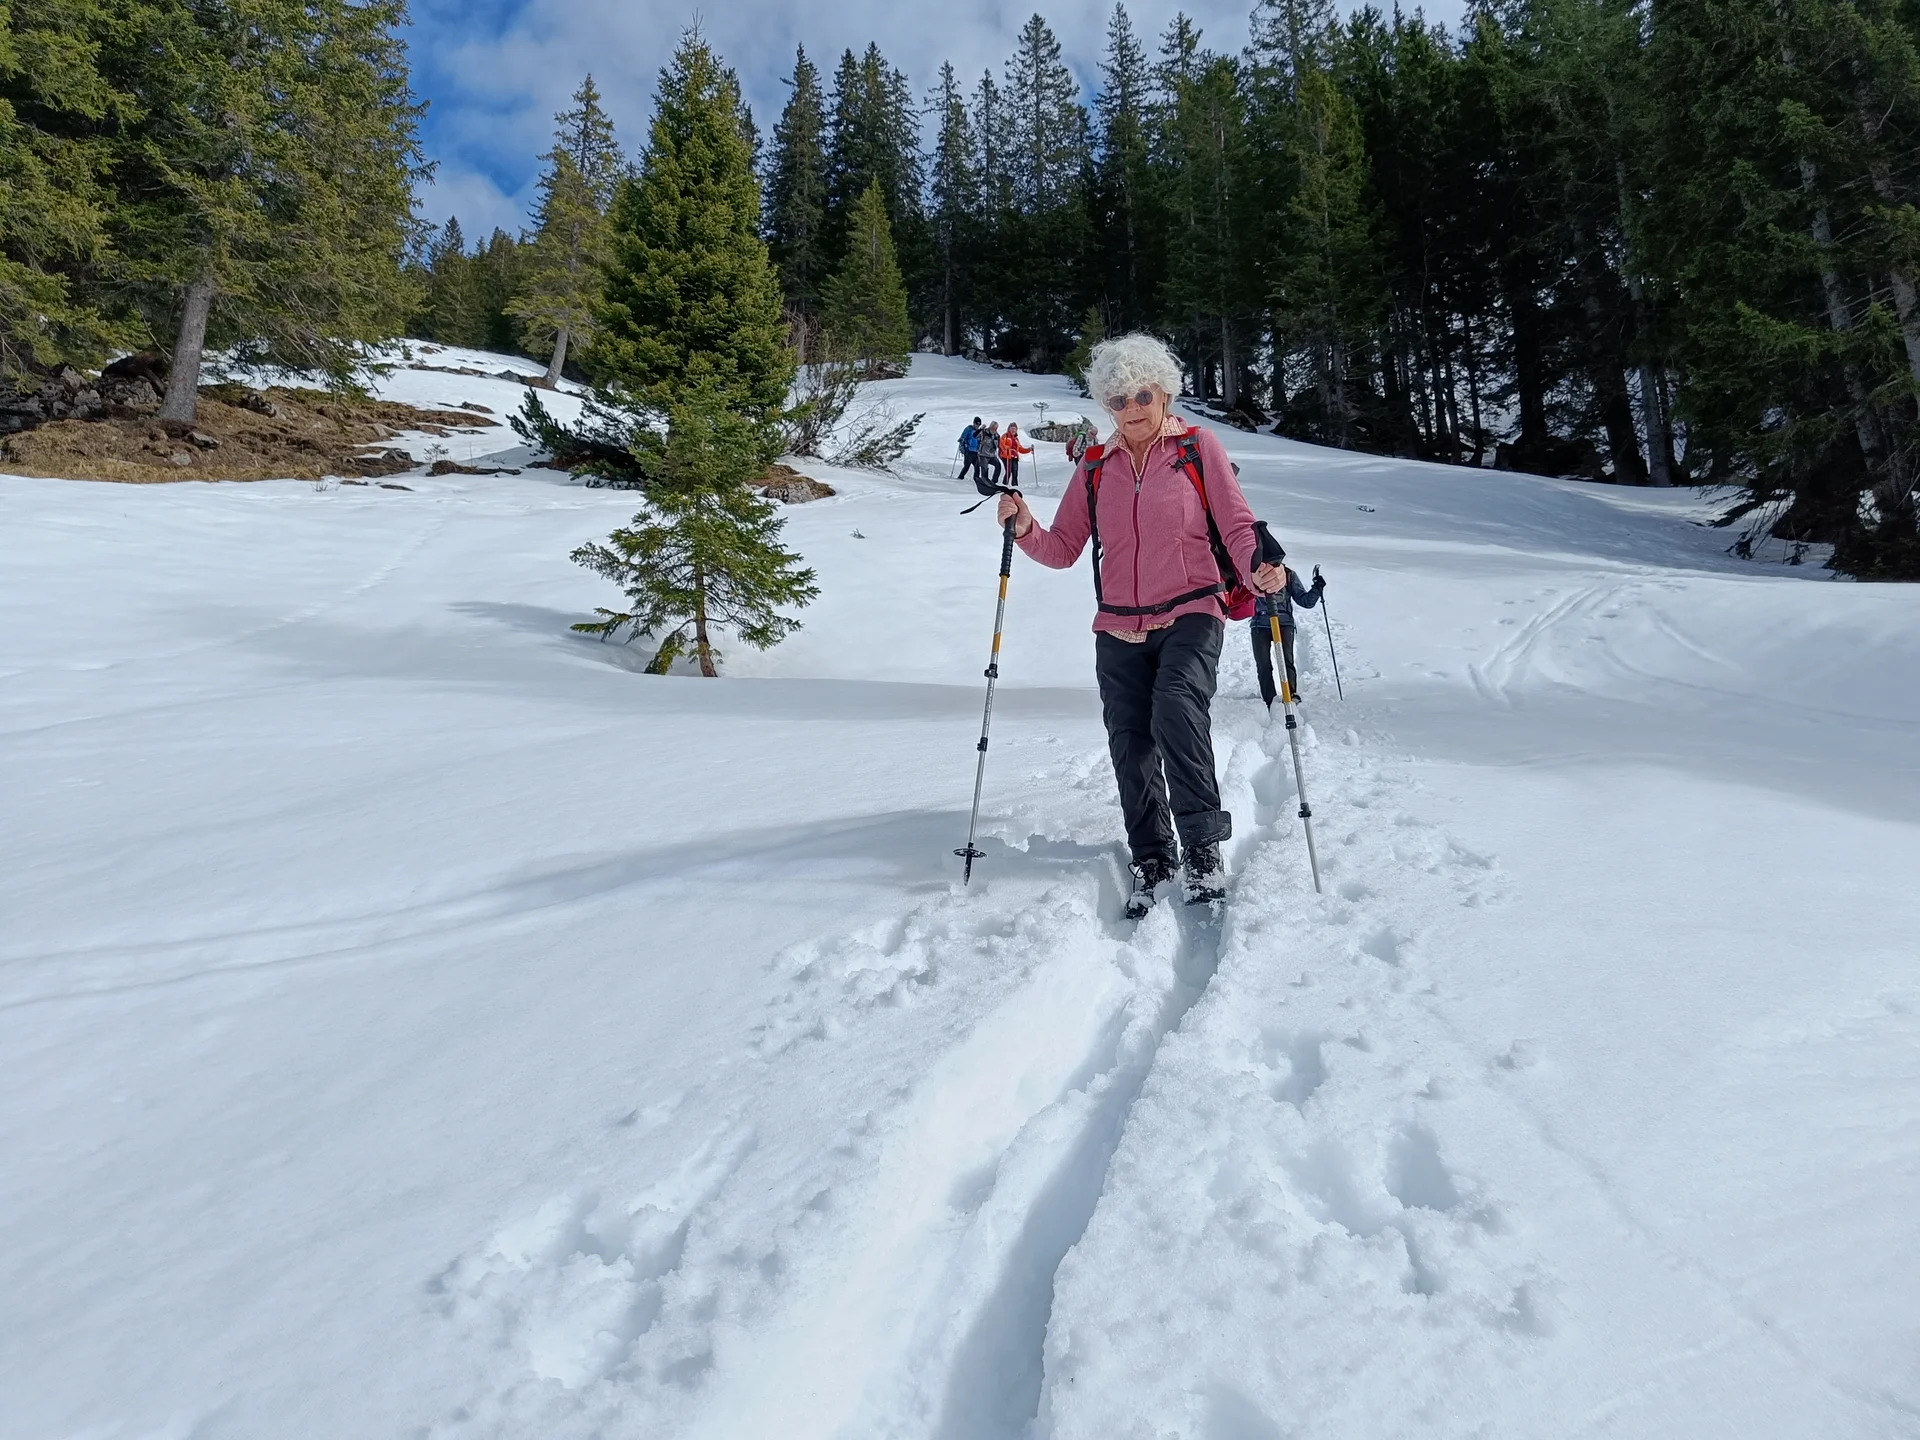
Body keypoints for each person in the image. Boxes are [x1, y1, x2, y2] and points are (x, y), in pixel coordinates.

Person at [996, 334, 1284, 914]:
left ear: (1164, 394)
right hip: (1118, 626)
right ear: (1107, 404)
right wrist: (1026, 527)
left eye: (1142, 395)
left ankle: (1202, 850)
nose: (1132, 408)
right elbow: (1064, 547)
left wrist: (1259, 564)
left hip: (1192, 610)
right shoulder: (1096, 467)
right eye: (1119, 398)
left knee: (1175, 707)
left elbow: (1235, 521)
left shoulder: (1198, 448)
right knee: (1130, 742)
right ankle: (1152, 859)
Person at [1248, 520, 1324, 708]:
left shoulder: (1288, 575)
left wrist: (1317, 588)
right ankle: (1269, 699)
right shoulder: (1251, 576)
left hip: (1283, 624)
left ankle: (1291, 695)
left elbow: (1305, 601)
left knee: (1286, 660)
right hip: (1260, 624)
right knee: (1263, 664)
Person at [1000, 422, 1033, 488]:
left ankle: (1015, 486)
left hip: (1014, 457)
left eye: (1015, 429)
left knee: (1015, 472)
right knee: (1008, 472)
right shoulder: (1005, 436)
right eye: (1012, 429)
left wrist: (1029, 449)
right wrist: (1005, 447)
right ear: (1009, 429)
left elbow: (1020, 449)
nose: (1013, 430)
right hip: (1007, 456)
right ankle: (1005, 485)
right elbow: (1001, 443)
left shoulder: (1016, 439)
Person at [958, 417, 982, 483]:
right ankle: (960, 478)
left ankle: (976, 480)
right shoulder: (968, 429)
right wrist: (961, 440)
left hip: (976, 452)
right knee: (966, 466)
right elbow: (963, 436)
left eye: (979, 425)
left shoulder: (979, 431)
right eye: (977, 424)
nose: (978, 426)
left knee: (977, 467)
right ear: (974, 423)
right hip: (968, 451)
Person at [979, 421, 1003, 487]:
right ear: (990, 426)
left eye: (995, 428)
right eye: (993, 428)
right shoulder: (984, 432)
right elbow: (975, 436)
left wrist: (1002, 448)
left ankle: (993, 481)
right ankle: (985, 482)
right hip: (983, 454)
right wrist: (980, 429)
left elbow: (999, 445)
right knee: (985, 468)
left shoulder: (997, 435)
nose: (994, 430)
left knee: (998, 465)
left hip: (992, 455)